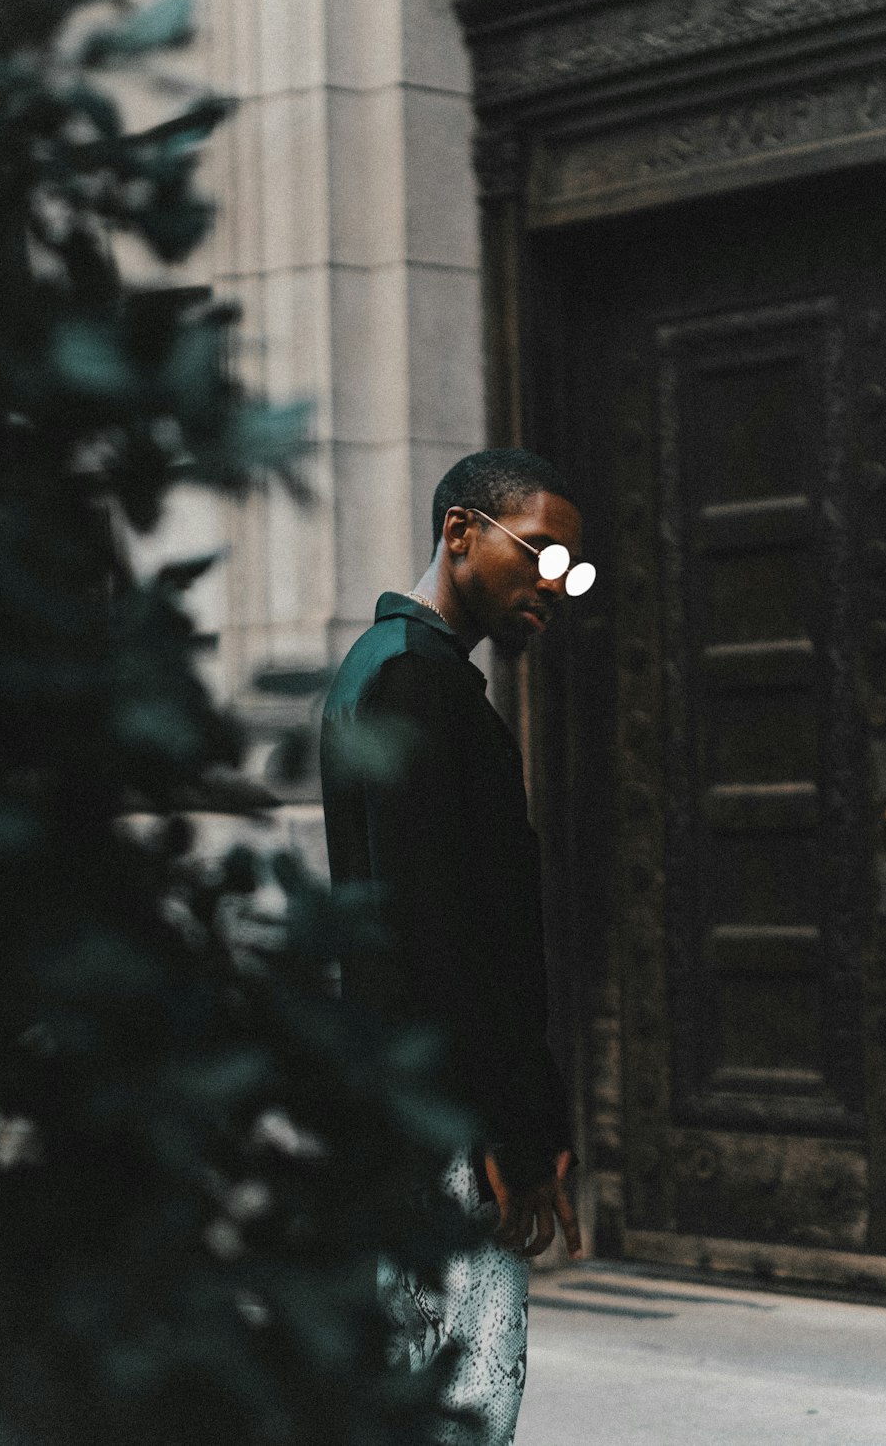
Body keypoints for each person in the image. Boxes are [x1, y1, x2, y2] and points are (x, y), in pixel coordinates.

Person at [320, 449, 595, 1445]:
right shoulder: (414, 683)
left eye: (571, 571)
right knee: (459, 1406)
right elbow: (439, 929)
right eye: (540, 554)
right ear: (459, 532)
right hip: (443, 1114)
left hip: (413, 1099)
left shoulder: (388, 668)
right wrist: (516, 1128)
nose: (551, 587)